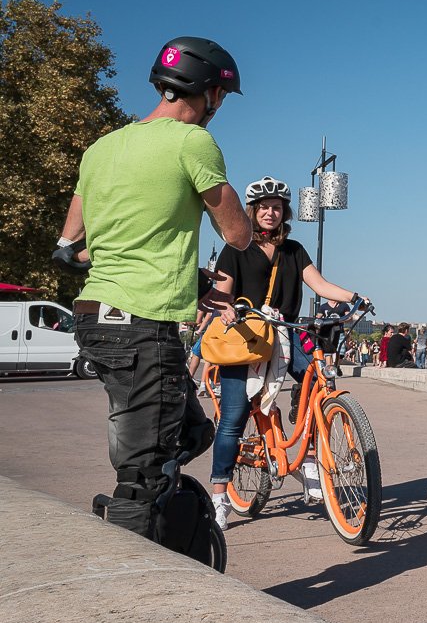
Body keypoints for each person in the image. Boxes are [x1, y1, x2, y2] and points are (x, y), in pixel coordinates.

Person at [57, 36, 252, 537]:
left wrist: (190, 279)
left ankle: (163, 503)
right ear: (206, 90)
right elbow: (237, 234)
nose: (220, 109)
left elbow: (72, 234)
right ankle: (132, 565)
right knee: (143, 470)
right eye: (222, 97)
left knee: (190, 428)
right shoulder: (193, 142)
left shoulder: (102, 147)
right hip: (141, 324)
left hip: (95, 314)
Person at [208, 176, 366, 529]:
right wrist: (227, 309)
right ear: (252, 211)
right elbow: (223, 292)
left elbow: (320, 284)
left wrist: (353, 297)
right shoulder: (235, 249)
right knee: (234, 416)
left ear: (285, 213)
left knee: (317, 382)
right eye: (263, 207)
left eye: (276, 207)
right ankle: (219, 495)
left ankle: (310, 459)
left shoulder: (293, 250)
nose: (270, 212)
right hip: (246, 334)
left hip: (283, 332)